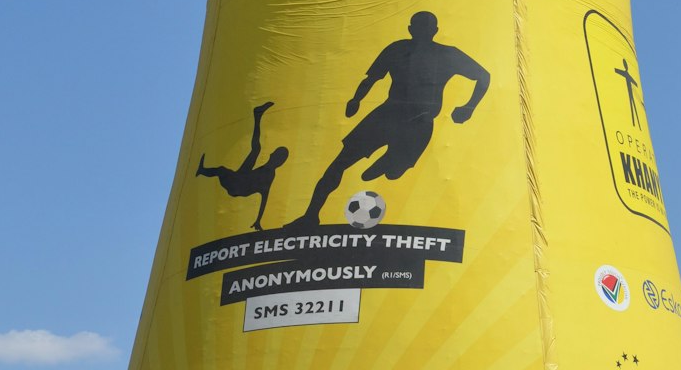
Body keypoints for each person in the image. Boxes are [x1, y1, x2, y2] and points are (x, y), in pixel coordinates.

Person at [299, 12, 489, 223]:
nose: (422, 33)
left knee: (394, 174)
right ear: (411, 30)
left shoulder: (447, 55)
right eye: (418, 29)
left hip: (419, 123)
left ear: (434, 32)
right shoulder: (397, 49)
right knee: (340, 161)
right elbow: (371, 78)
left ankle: (390, 163)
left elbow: (484, 76)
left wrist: (469, 107)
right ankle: (310, 216)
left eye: (425, 29)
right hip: (387, 115)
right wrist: (356, 99)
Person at [196, 101, 288, 230]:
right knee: (255, 150)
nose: (272, 154)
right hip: (241, 178)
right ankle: (257, 116)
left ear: (278, 160)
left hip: (238, 186)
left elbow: (264, 196)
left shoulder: (269, 174)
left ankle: (202, 170)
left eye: (277, 155)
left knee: (223, 170)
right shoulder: (267, 171)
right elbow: (264, 195)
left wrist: (258, 220)